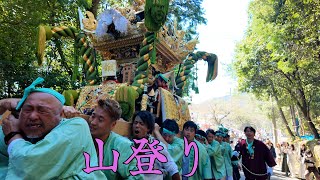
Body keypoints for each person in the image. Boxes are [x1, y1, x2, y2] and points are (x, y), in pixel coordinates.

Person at [0, 77, 106, 179]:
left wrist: (12, 135)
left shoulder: (76, 127)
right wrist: (4, 103)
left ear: (60, 115)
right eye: (28, 109)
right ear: (20, 112)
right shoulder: (14, 126)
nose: (32, 116)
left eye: (42, 111)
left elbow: (31, 165)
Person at [88, 98, 144, 179]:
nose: (93, 122)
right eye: (93, 116)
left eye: (100, 120)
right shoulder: (84, 138)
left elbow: (136, 177)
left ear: (113, 125)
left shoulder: (122, 146)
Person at [131, 111, 180, 180]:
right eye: (135, 123)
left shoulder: (158, 147)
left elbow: (173, 169)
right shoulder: (128, 145)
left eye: (141, 124)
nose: (137, 126)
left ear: (148, 128)